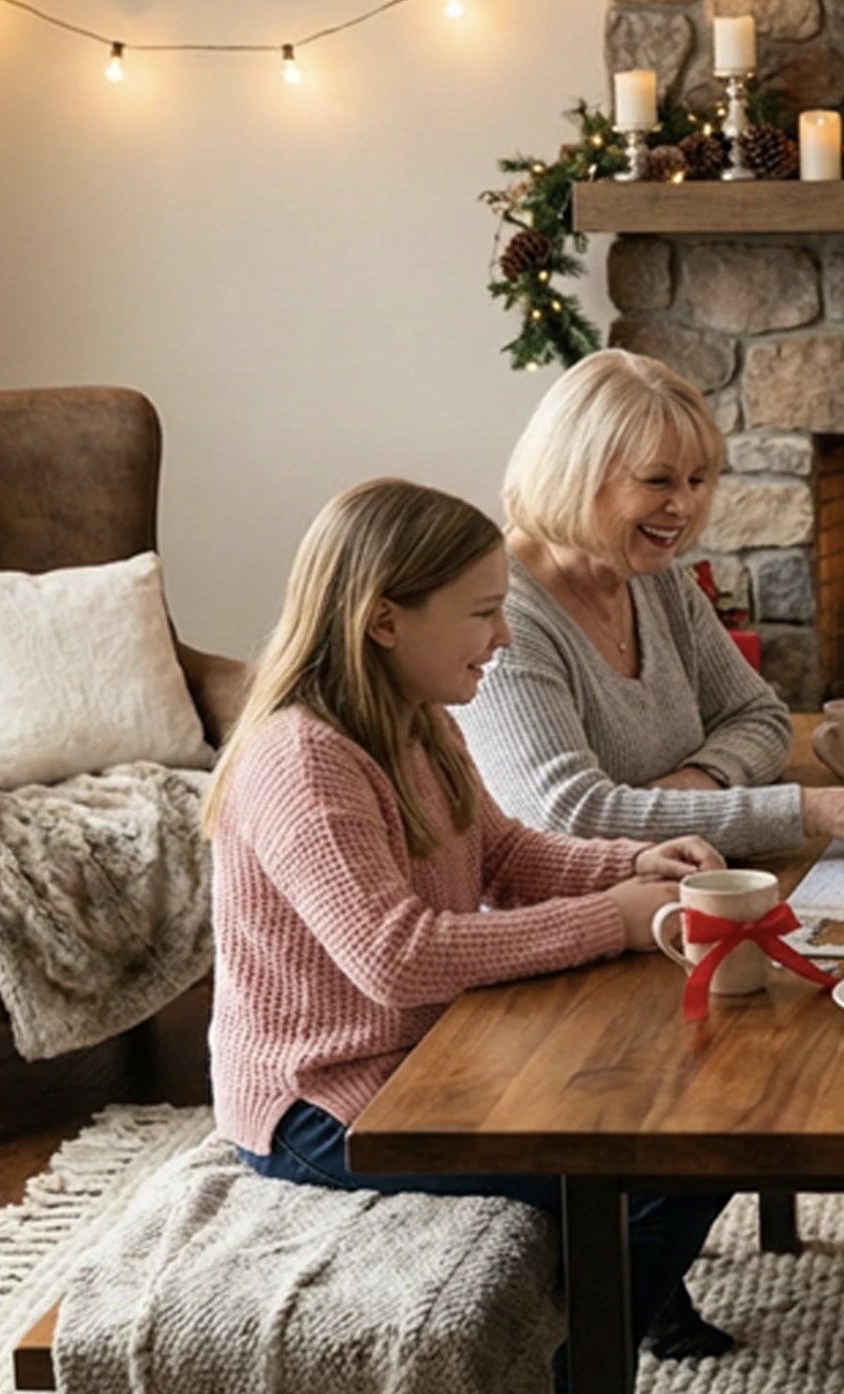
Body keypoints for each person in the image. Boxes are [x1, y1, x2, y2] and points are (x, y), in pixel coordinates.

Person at [203, 478, 737, 1365]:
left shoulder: (421, 716)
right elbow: (395, 959)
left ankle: (622, 1305)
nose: (506, 635)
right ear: (385, 621)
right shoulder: (304, 760)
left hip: (427, 1050)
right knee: (652, 1172)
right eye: (484, 611)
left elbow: (504, 856)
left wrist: (638, 864)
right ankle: (576, 1365)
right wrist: (615, 916)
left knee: (691, 1123)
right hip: (322, 1098)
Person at [456, 349, 844, 860]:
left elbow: (760, 718)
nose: (687, 507)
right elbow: (569, 817)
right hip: (575, 920)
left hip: (683, 884)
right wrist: (812, 810)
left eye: (696, 480)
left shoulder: (656, 579)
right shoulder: (503, 613)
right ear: (575, 474)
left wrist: (698, 782)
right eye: (657, 481)